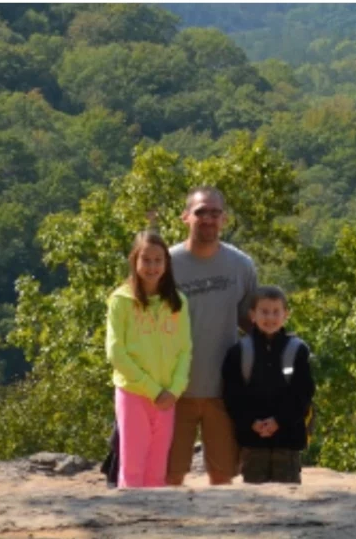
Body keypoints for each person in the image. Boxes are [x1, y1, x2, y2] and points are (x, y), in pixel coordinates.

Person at [165, 186, 259, 486]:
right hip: (173, 390)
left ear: (224, 219)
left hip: (224, 391)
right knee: (169, 476)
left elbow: (252, 321)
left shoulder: (242, 266)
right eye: (200, 212)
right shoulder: (164, 264)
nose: (207, 219)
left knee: (223, 476)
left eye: (214, 213)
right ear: (185, 217)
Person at [105, 231, 191, 490]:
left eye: (158, 260)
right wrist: (152, 390)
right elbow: (115, 351)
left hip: (167, 397)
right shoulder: (121, 300)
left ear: (166, 263)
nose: (152, 267)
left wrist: (174, 390)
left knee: (157, 469)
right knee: (132, 468)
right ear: (135, 261)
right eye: (146, 260)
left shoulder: (178, 302)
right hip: (134, 393)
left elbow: (185, 350)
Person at [221, 285, 316, 485]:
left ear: (285, 315)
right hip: (252, 441)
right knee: (254, 499)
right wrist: (251, 422)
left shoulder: (298, 350)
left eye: (276, 312)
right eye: (264, 312)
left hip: (288, 441)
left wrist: (279, 421)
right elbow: (232, 395)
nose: (270, 318)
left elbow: (303, 393)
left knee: (288, 497)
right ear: (252, 315)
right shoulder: (238, 352)